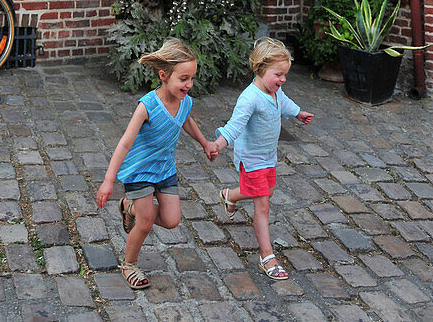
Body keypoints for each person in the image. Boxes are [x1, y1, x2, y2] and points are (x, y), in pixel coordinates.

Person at [96, 37, 218, 289]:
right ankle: (129, 264)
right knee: (146, 222)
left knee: (172, 220)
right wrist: (109, 181)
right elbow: (124, 144)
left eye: (191, 78)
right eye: (183, 79)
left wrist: (205, 143)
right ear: (164, 75)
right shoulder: (148, 106)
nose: (189, 84)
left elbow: (186, 121)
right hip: (140, 171)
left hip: (165, 170)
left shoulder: (185, 101)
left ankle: (129, 208)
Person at [211, 37, 313, 280]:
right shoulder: (250, 98)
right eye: (278, 74)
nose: (283, 79)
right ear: (261, 68)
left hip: (269, 157)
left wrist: (297, 112)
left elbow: (283, 102)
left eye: (285, 74)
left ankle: (229, 195)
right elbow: (234, 126)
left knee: (266, 191)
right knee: (263, 204)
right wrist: (218, 143)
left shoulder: (275, 91)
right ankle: (267, 256)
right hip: (252, 159)